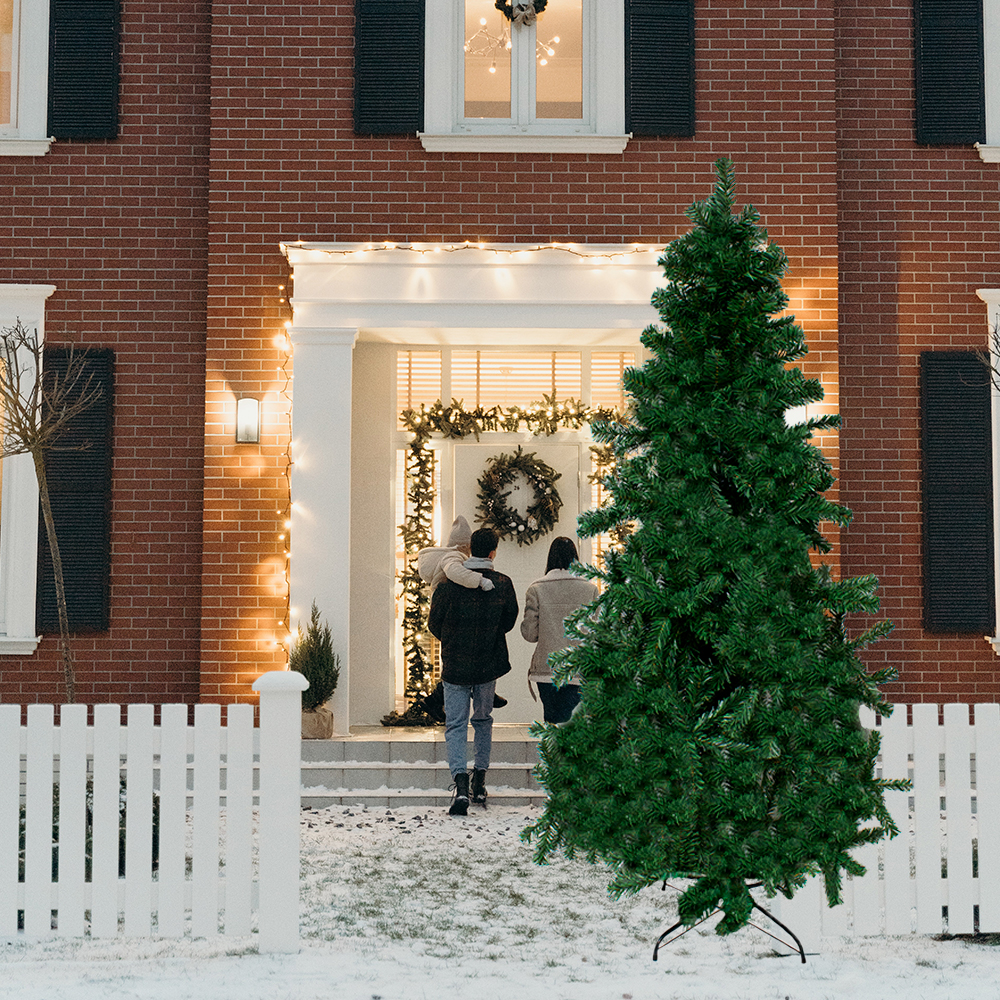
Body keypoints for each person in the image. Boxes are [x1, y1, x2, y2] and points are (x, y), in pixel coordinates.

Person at [428, 527, 518, 815]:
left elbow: (434, 623)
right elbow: (509, 620)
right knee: (483, 720)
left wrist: (454, 639)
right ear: (493, 552)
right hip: (487, 665)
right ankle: (480, 781)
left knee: (455, 725)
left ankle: (460, 783)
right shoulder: (503, 583)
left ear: (469, 550)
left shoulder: (445, 585)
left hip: (455, 665)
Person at [416, 515, 508, 721]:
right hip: (449, 610)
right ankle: (436, 699)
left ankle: (445, 697)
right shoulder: (453, 558)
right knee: (465, 656)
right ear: (465, 545)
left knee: (460, 659)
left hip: (446, 613)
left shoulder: (453, 557)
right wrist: (480, 581)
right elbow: (456, 573)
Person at [520, 536, 599, 724]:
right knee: (573, 725)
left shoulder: (536, 589)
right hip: (578, 668)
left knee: (552, 722)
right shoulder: (590, 589)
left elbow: (529, 634)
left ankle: (550, 753)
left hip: (547, 669)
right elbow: (595, 633)